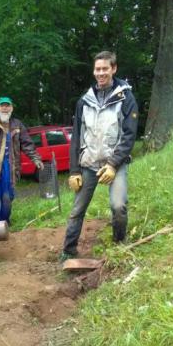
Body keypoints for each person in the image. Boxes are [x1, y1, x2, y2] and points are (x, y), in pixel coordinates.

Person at [61, 51, 138, 260]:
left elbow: (130, 135)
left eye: (105, 68)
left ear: (114, 69)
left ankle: (119, 243)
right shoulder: (84, 101)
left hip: (116, 164)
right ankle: (68, 251)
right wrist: (74, 170)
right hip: (89, 164)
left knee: (118, 206)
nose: (101, 73)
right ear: (94, 71)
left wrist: (113, 165)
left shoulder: (126, 97)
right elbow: (77, 135)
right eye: (97, 69)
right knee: (77, 209)